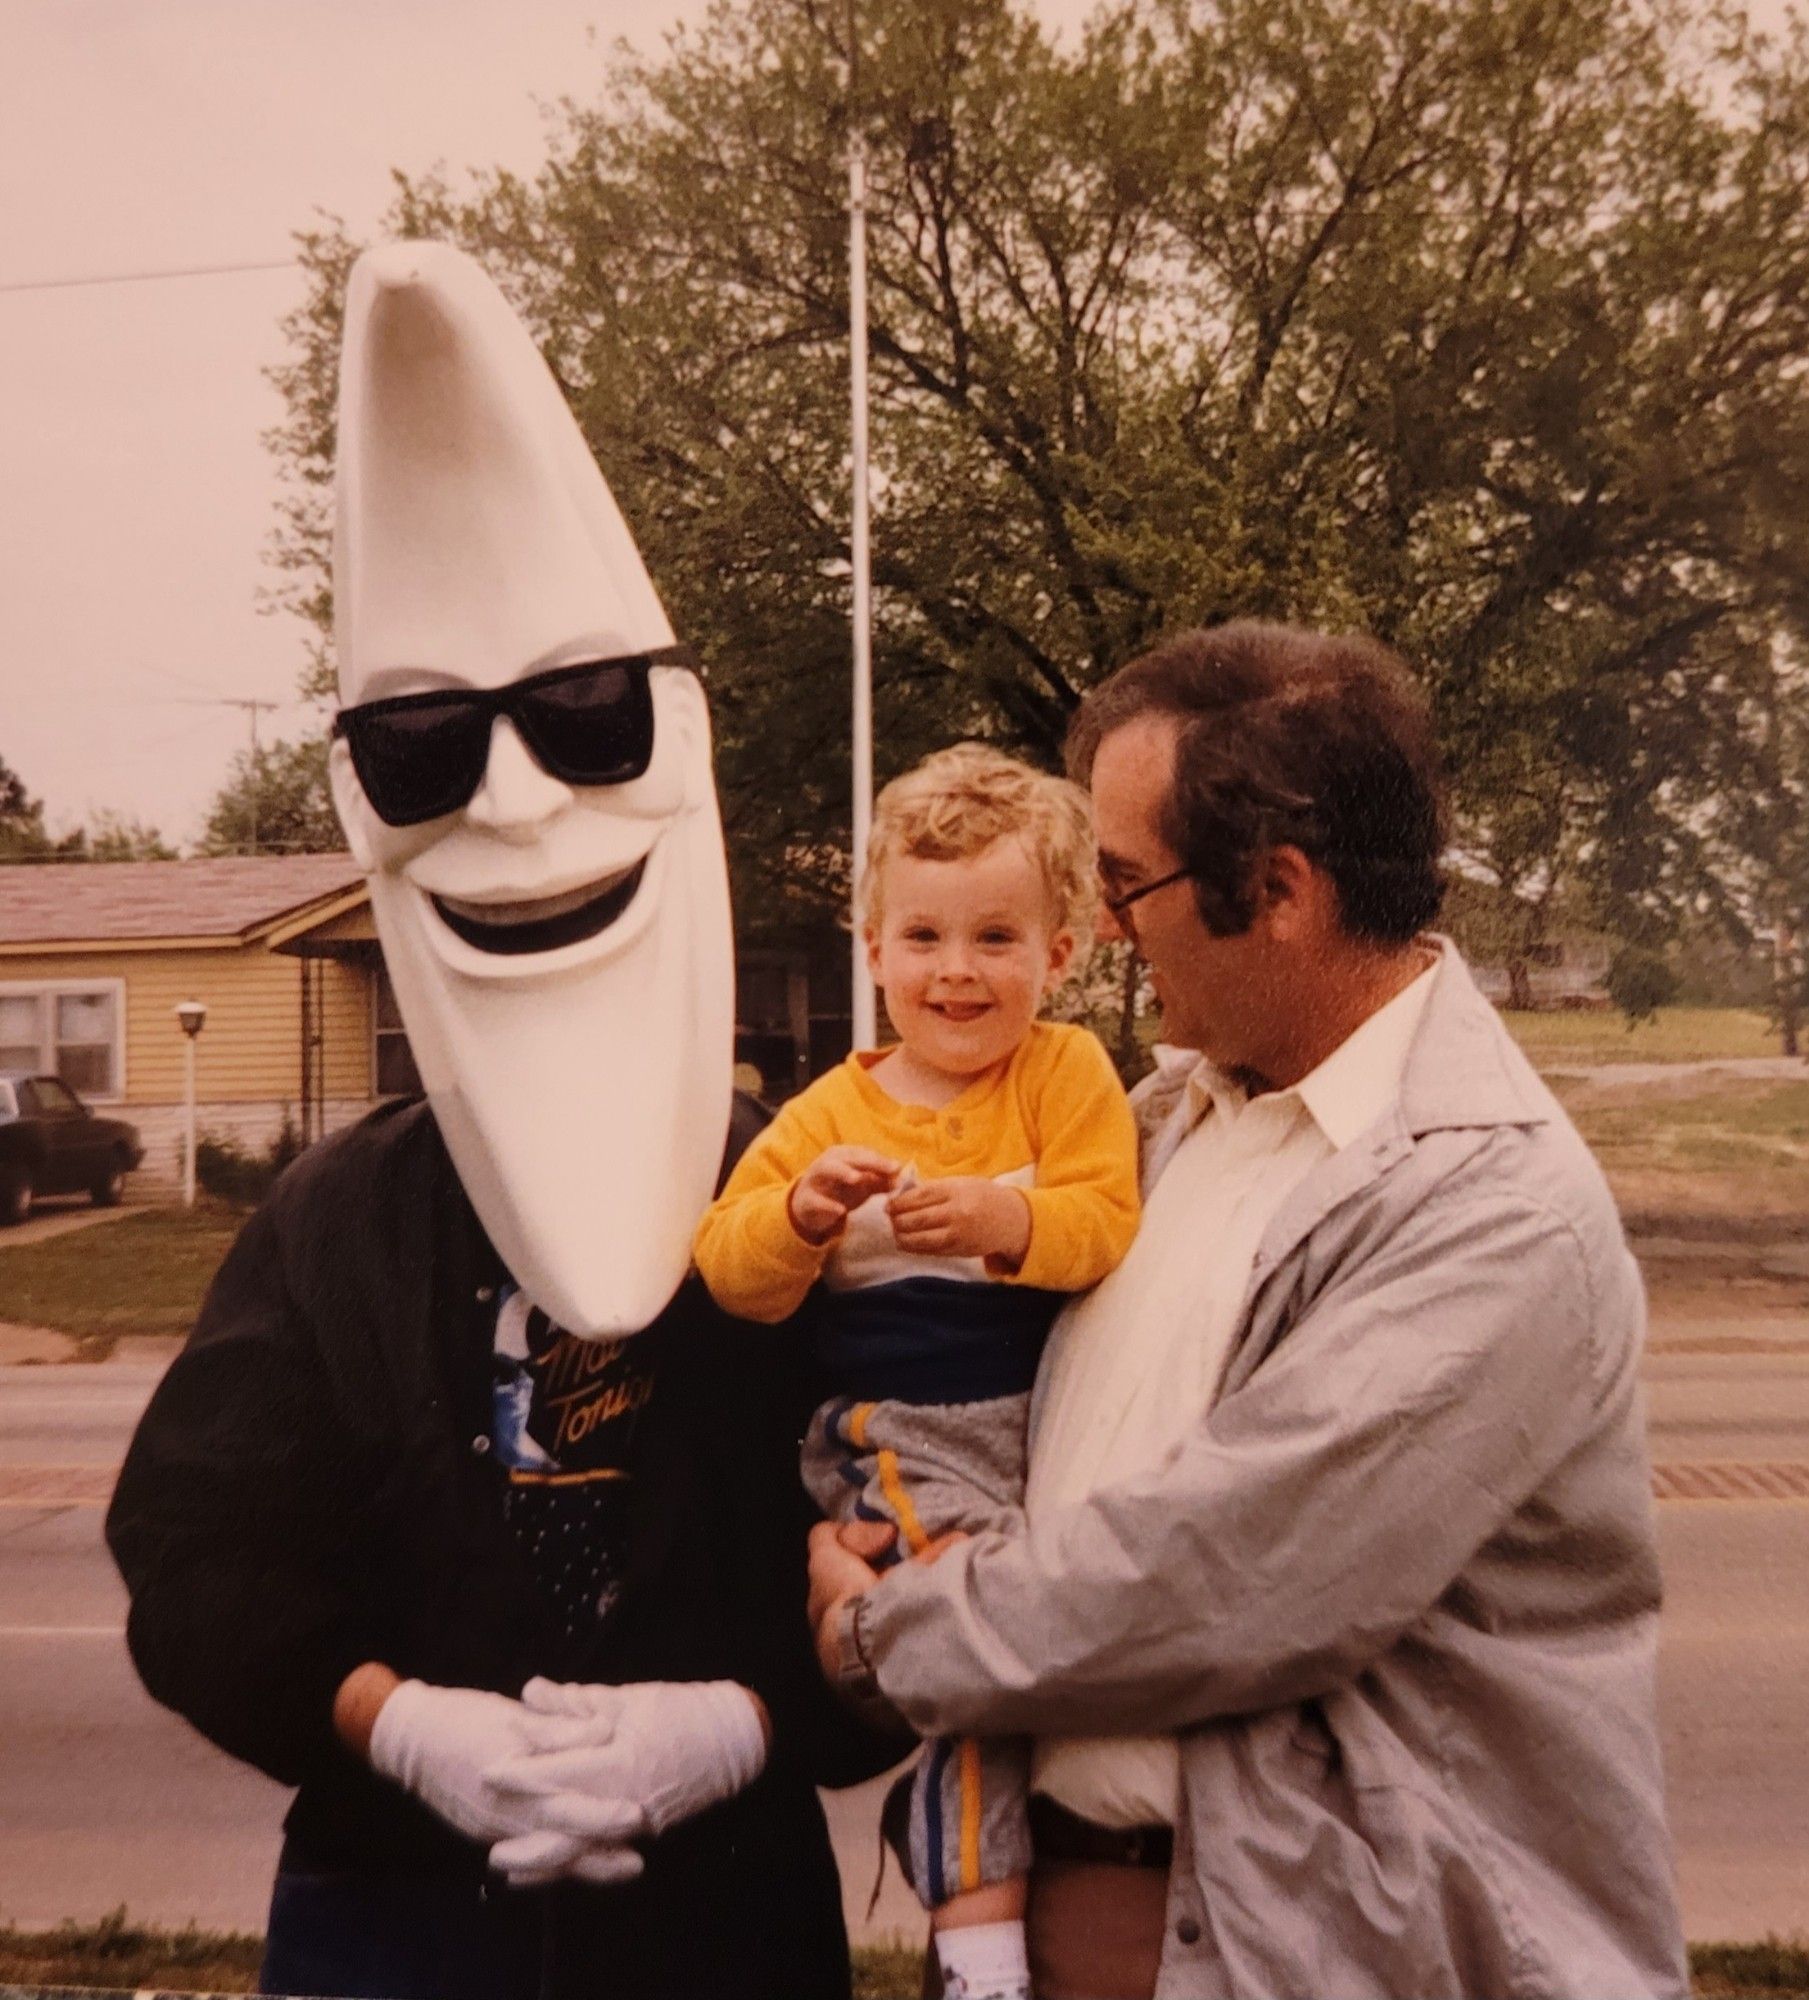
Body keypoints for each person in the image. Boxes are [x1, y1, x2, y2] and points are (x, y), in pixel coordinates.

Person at [108, 242, 880, 2000]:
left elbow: (944, 1539)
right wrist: (396, 1729)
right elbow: (194, 1562)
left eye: (585, 719)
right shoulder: (331, 1224)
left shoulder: (821, 1193)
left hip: (726, 1934)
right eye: (423, 748)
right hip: (393, 1929)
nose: (518, 800)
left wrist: (753, 1720)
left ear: (679, 742)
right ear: (353, 800)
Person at [809, 623, 1690, 2000]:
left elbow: (1218, 1581)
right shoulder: (1161, 1126)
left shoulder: (1487, 1207)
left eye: (1123, 882)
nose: (1102, 926)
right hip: (1078, 1929)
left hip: (1335, 1958)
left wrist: (880, 1635)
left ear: (1276, 891)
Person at [694, 744, 1140, 2000]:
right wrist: (802, 1215)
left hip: (1044, 1424)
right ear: (873, 946)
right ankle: (980, 1944)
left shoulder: (1065, 1074)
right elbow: (731, 1271)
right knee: (980, 1650)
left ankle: (978, 1889)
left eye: (997, 936)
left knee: (1035, 1659)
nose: (958, 970)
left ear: (1062, 952)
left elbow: (1106, 1219)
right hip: (905, 1431)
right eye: (925, 936)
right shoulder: (829, 1111)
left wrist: (1010, 1225)